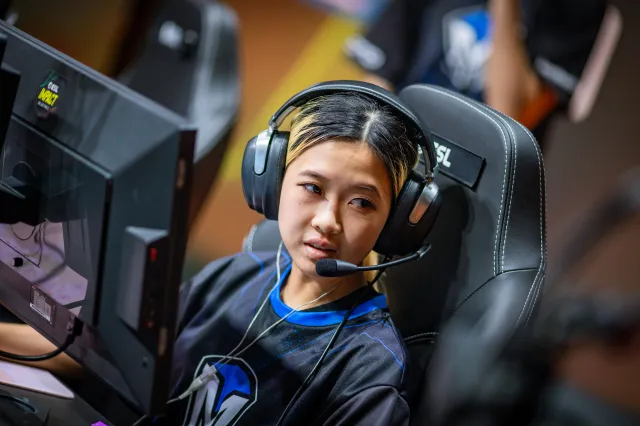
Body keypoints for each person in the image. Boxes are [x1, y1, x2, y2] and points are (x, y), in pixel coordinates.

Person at [164, 90, 419, 425]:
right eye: (313, 188)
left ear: (392, 225)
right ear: (273, 181)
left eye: (361, 202)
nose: (328, 220)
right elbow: (122, 369)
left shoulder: (371, 369)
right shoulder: (229, 277)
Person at [344, 0, 607, 146]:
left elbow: (506, 115)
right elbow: (377, 83)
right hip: (404, 139)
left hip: (482, 172)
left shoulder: (578, 8)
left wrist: (504, 8)